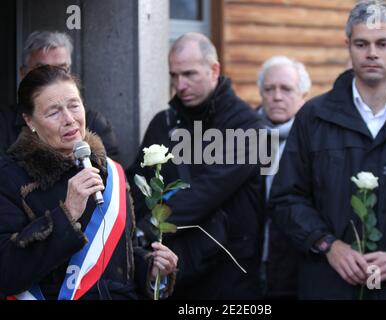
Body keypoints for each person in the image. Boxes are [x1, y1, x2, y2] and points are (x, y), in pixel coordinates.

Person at [269, 0, 386, 299]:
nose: (372, 53)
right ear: (348, 46)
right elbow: (286, 198)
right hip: (330, 286)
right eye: (361, 43)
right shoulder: (314, 116)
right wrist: (328, 245)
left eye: (383, 43)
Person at [0, 65, 178, 300]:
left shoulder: (109, 171)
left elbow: (118, 256)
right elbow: (6, 271)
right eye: (53, 112)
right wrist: (66, 214)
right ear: (29, 120)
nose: (69, 119)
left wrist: (153, 268)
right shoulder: (11, 177)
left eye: (74, 105)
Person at [127, 32, 263, 299]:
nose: (180, 84)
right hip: (173, 267)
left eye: (189, 74)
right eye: (174, 76)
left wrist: (147, 226)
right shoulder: (163, 123)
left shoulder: (248, 127)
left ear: (214, 70)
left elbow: (207, 189)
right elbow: (136, 181)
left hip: (230, 272)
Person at [0, 30, 121, 162]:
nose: (53, 77)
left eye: (62, 69)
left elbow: (113, 175)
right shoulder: (4, 124)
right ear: (23, 73)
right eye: (42, 71)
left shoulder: (94, 123)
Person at [256, 56, 310, 299]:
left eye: (286, 89)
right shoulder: (242, 137)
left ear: (303, 95)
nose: (277, 96)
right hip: (248, 261)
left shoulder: (314, 139)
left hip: (298, 263)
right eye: (269, 89)